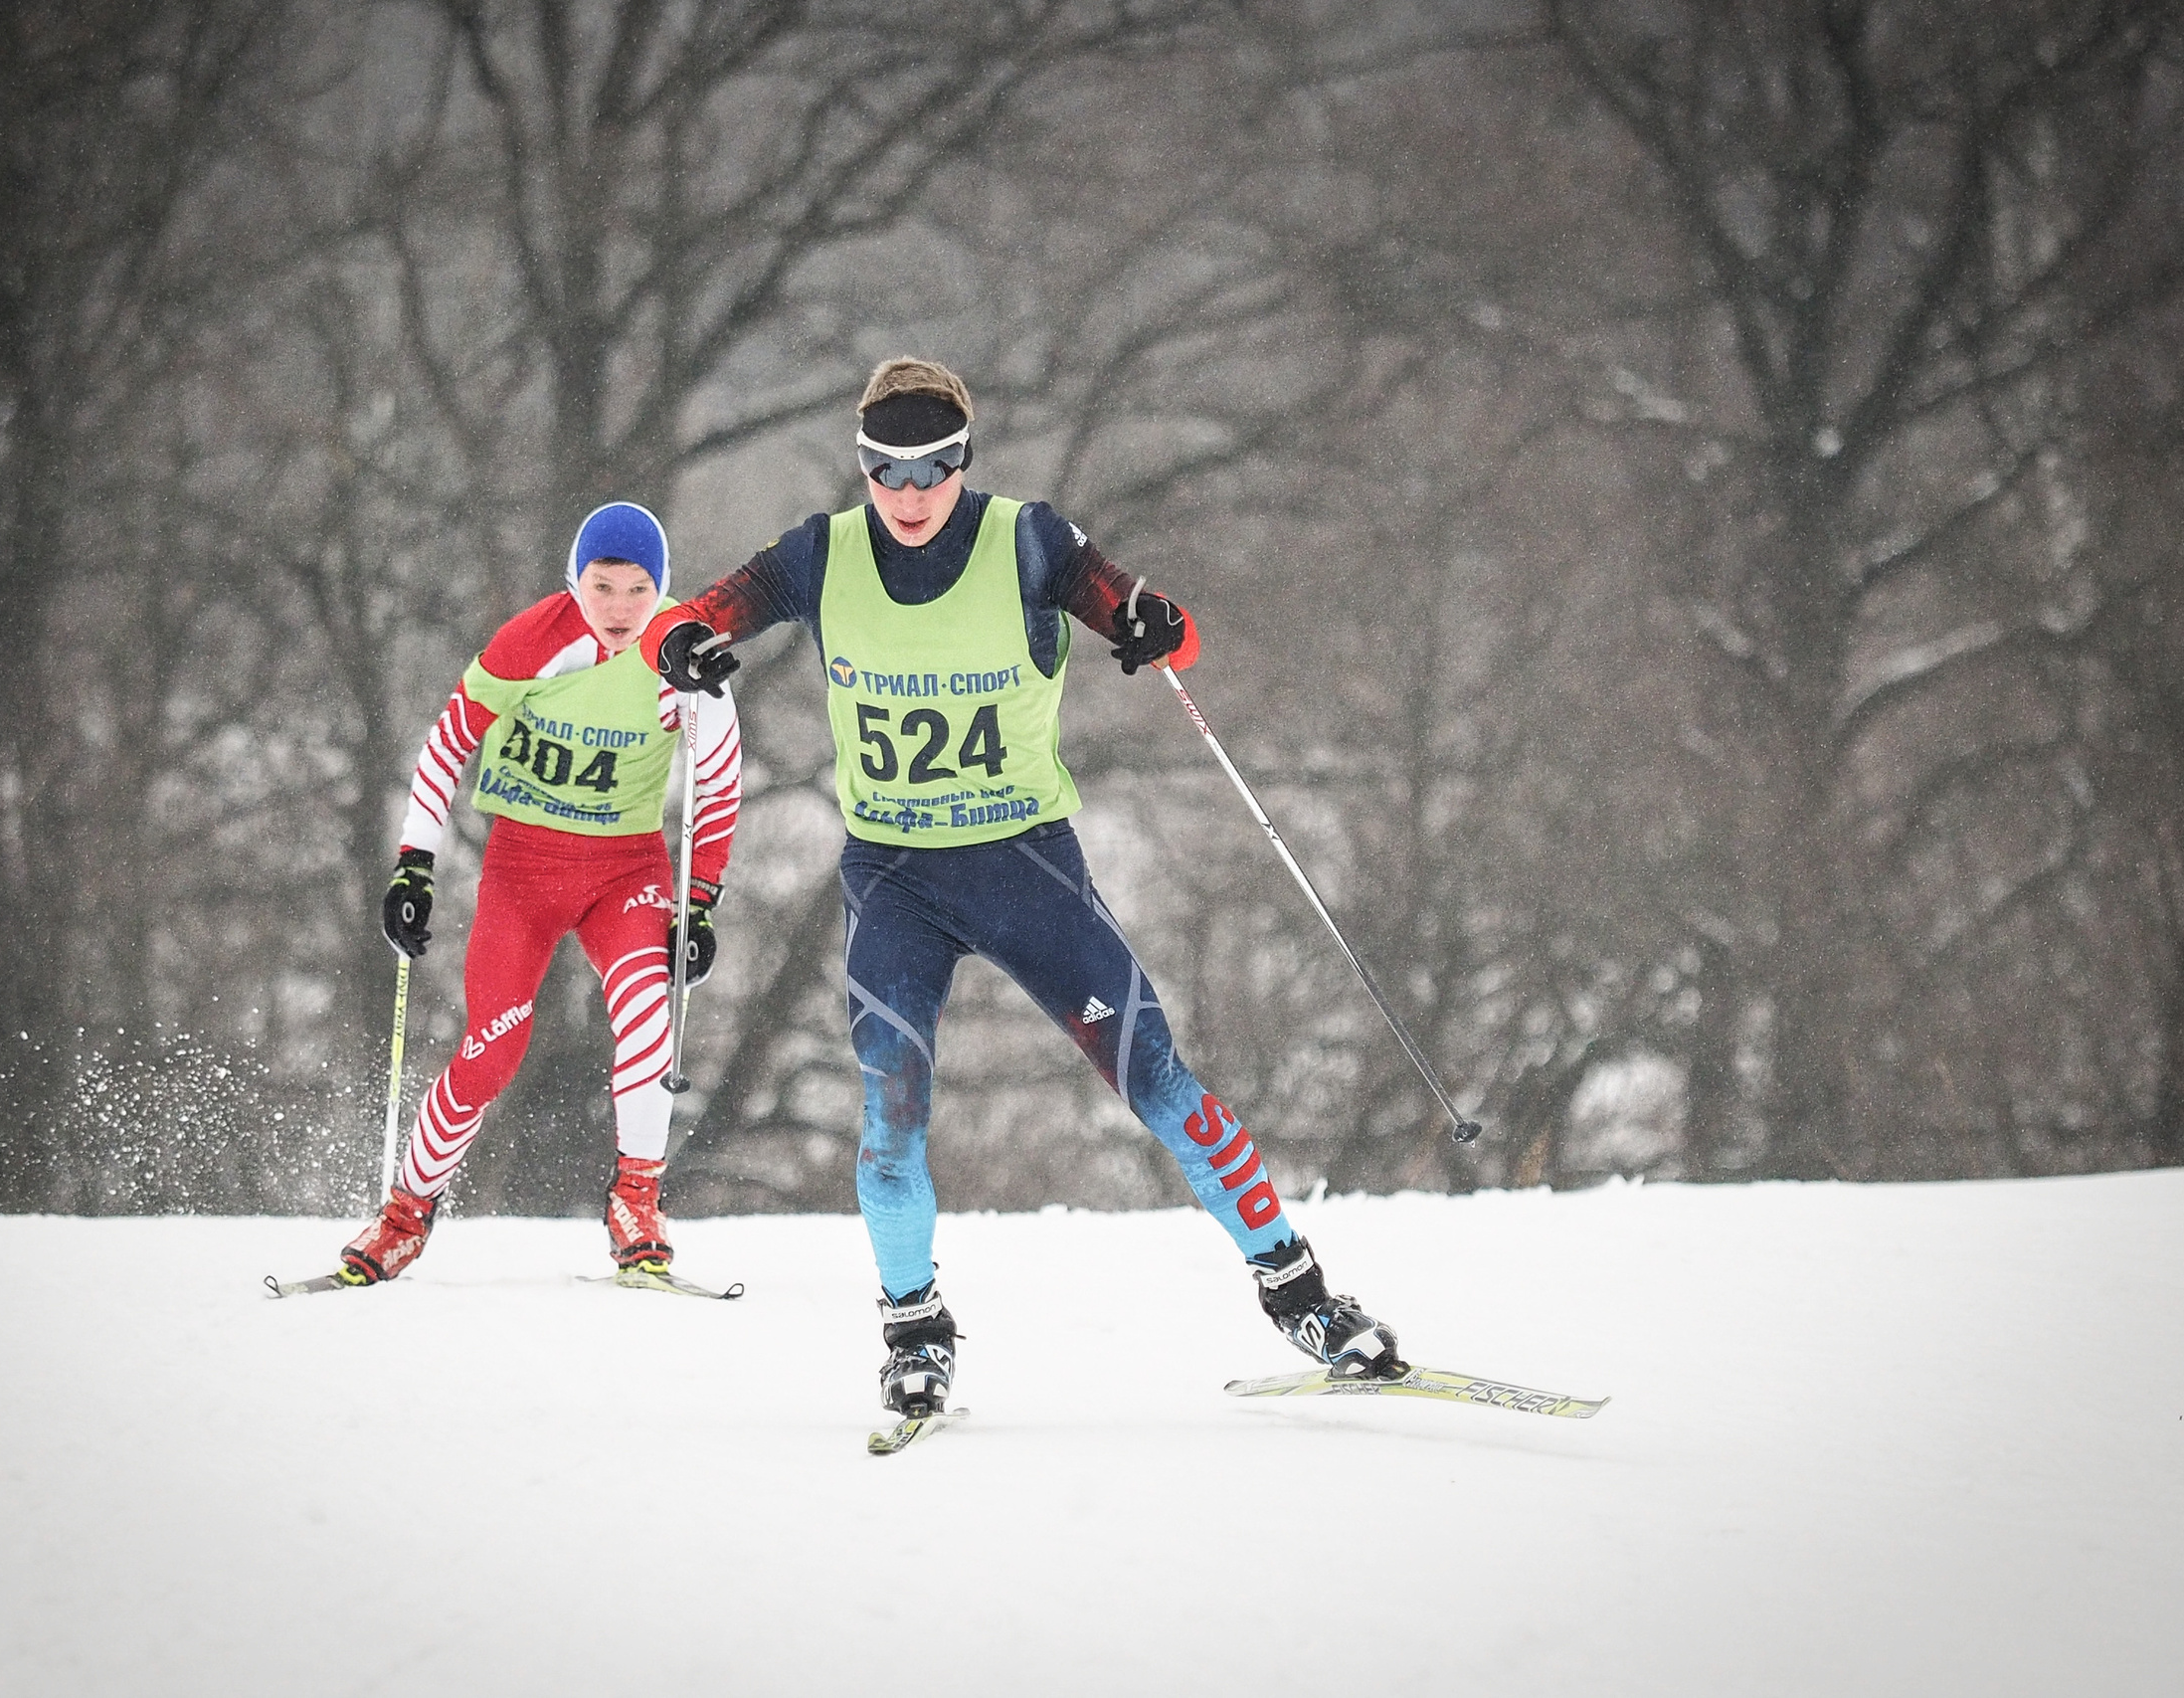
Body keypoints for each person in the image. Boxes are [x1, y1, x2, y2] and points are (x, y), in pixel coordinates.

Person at [637, 358, 1401, 1415]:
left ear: (964, 461)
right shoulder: (824, 551)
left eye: (930, 469)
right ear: (861, 467)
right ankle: (914, 1330)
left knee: (1158, 1081)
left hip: (1022, 865)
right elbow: (697, 616)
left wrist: (1152, 625)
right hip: (895, 876)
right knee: (888, 1114)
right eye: (883, 471)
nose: (906, 496)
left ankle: (1301, 1296)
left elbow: (1145, 614)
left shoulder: (1025, 540)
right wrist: (681, 642)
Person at [337, 501, 742, 1286]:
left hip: (626, 872)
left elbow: (718, 785)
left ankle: (636, 1203)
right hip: (522, 871)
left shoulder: (682, 656)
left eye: (639, 588)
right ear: (574, 579)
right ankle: (402, 1218)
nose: (621, 608)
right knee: (494, 1049)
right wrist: (413, 865)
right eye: (602, 586)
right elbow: (449, 739)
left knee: (644, 1013)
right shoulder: (531, 642)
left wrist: (699, 903)